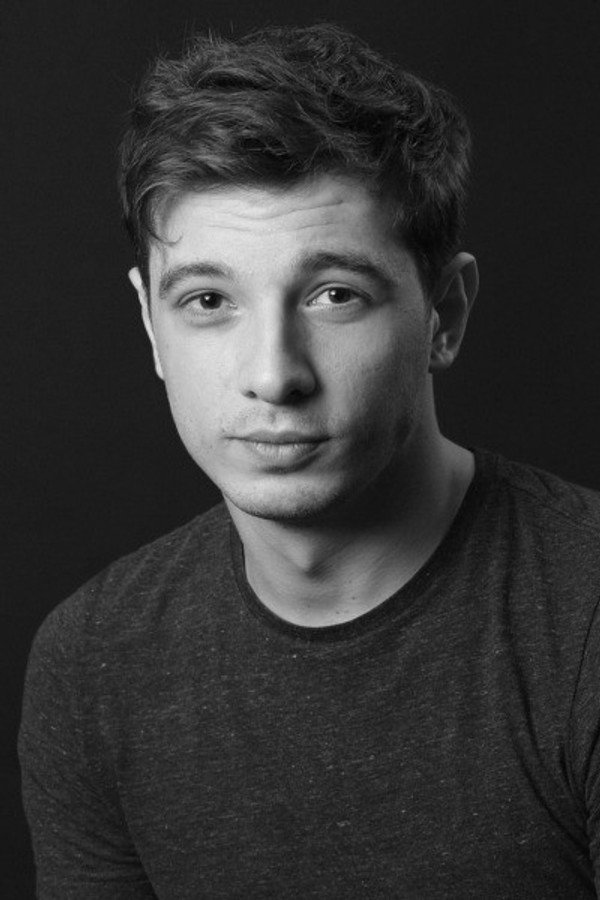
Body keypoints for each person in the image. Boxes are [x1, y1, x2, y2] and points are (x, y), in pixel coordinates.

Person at [18, 22, 600, 899]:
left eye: (335, 295)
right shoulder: (91, 663)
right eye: (208, 300)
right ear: (151, 325)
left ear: (443, 315)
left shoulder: (584, 617)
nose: (273, 374)